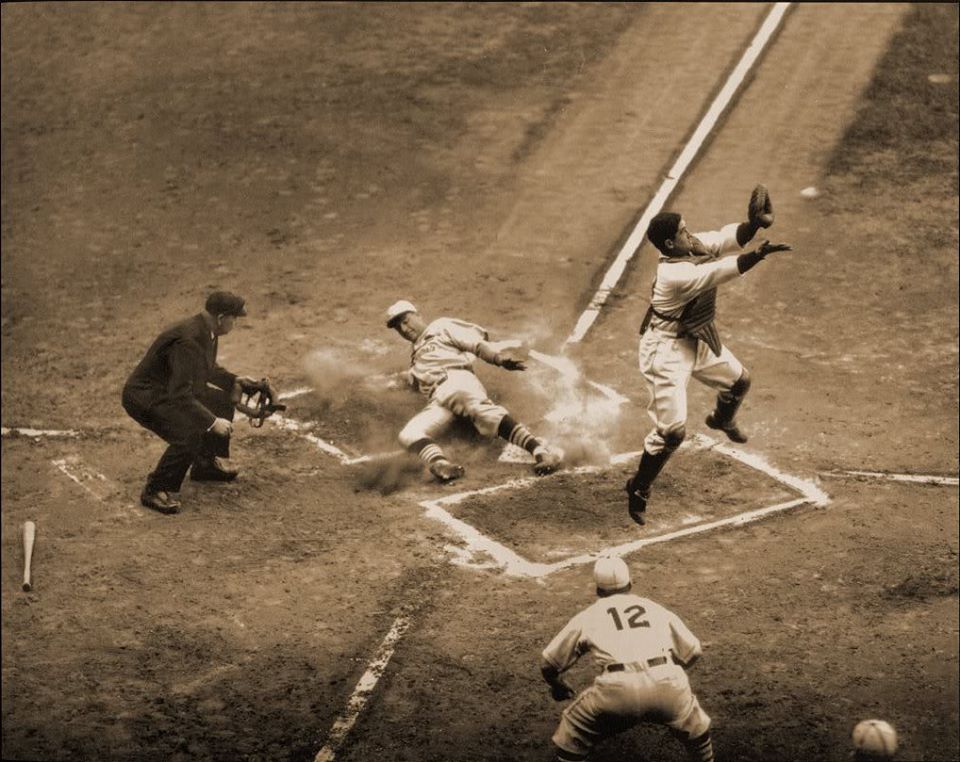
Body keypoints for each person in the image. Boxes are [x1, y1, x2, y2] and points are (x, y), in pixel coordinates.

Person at [626, 186, 791, 525]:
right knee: (672, 433)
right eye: (683, 231)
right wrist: (757, 256)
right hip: (665, 352)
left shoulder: (687, 246)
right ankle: (639, 486)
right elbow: (716, 272)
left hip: (694, 338)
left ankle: (721, 419)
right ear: (671, 244)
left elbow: (722, 240)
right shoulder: (675, 275)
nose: (690, 233)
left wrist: (753, 225)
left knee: (740, 381)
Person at [540, 555, 715, 762]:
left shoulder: (589, 615)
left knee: (571, 732)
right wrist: (665, 675)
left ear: (597, 591)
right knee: (696, 728)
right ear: (630, 584)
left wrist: (557, 684)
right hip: (667, 682)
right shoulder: (654, 608)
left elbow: (548, 663)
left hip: (616, 692)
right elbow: (693, 650)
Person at [122, 291, 270, 514]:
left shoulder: (207, 331)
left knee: (221, 401)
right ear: (221, 318)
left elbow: (205, 369)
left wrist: (233, 381)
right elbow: (180, 394)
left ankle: (204, 464)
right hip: (145, 396)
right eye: (234, 318)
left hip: (167, 389)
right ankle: (155, 488)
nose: (235, 322)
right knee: (189, 431)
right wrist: (212, 423)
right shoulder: (188, 340)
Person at [385, 300, 562, 483]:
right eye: (398, 327)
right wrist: (394, 381)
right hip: (437, 401)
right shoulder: (415, 356)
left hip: (457, 380)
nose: (404, 329)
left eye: (405, 321)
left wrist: (498, 359)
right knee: (407, 434)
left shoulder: (441, 326)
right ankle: (440, 464)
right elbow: (416, 382)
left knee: (480, 410)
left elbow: (475, 344)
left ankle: (541, 452)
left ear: (417, 315)